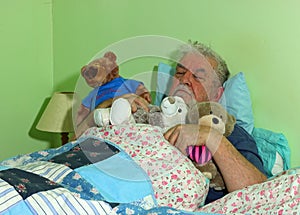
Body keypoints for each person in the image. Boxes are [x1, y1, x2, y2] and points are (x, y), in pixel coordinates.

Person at [117, 41, 267, 204]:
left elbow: (260, 196)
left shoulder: (230, 132)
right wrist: (115, 110)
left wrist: (212, 137)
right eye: (180, 73)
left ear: (217, 94)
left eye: (197, 77)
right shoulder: (147, 114)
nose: (185, 80)